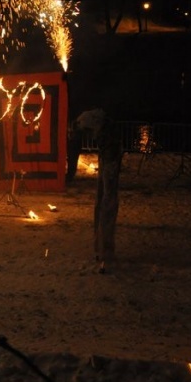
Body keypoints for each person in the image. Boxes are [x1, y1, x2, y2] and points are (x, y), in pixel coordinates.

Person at [75, 109, 123, 273]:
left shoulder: (100, 130)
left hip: (110, 158)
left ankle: (104, 250)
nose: (90, 138)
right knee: (104, 203)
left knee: (106, 205)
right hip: (108, 157)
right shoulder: (99, 125)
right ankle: (102, 248)